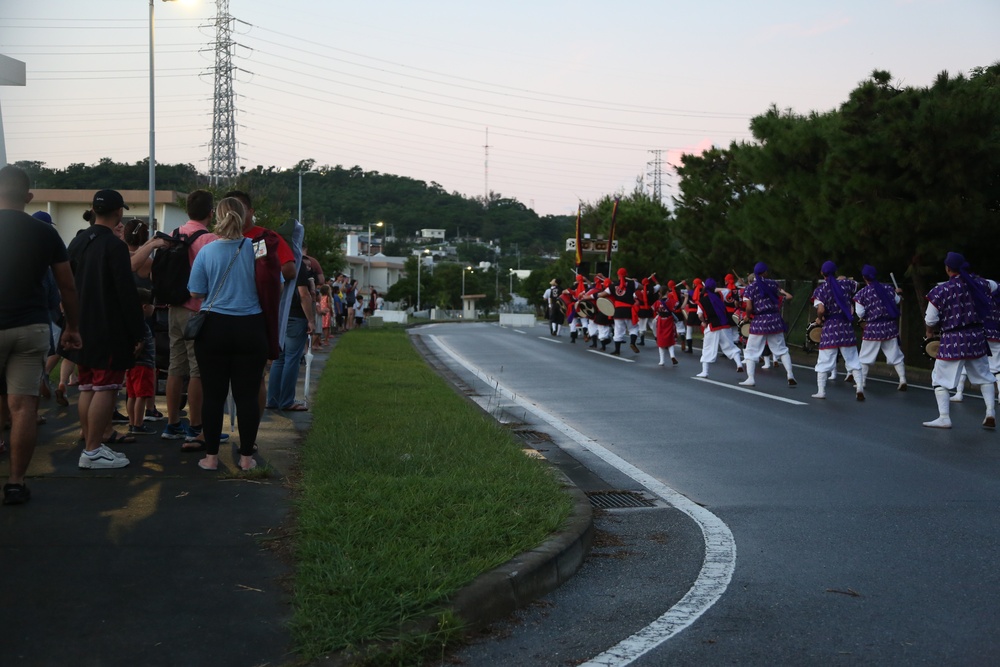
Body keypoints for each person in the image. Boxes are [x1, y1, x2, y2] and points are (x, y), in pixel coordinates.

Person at [0, 165, 82, 504]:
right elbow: (67, 285)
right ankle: (16, 482)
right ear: (29, 197)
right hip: (31, 327)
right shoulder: (45, 233)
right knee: (23, 408)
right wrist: (73, 328)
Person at [65, 189, 145, 469]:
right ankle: (93, 449)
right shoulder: (113, 246)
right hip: (108, 327)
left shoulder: (77, 241)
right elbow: (126, 292)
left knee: (87, 386)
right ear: (119, 212)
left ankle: (91, 442)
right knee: (106, 388)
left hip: (81, 326)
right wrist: (138, 332)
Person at [188, 196, 269, 470]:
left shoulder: (207, 251)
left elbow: (196, 292)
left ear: (217, 216)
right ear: (245, 215)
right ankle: (247, 458)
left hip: (214, 328)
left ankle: (211, 458)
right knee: (247, 395)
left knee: (213, 395)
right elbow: (270, 283)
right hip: (251, 326)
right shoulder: (257, 247)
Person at [161, 190, 218, 445]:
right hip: (198, 308)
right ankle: (196, 426)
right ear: (211, 212)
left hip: (173, 306)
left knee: (175, 366)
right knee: (198, 370)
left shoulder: (174, 234)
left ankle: (172, 423)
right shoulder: (209, 239)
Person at [922, 252, 997, 429]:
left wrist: (929, 333)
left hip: (952, 339)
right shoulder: (981, 284)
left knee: (939, 379)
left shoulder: (940, 291)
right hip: (977, 337)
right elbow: (995, 285)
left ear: (947, 269)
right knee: (985, 377)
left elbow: (930, 320)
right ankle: (990, 412)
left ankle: (944, 417)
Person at [266, 256, 315, 411]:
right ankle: (287, 401)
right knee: (292, 359)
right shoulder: (297, 265)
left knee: (279, 359)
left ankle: (272, 399)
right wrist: (311, 320)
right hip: (296, 316)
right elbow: (303, 294)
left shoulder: (276, 261)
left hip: (280, 316)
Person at [810, 261, 863, 400]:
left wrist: (819, 318)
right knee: (852, 358)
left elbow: (821, 309)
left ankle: (821, 391)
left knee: (824, 360)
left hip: (830, 327)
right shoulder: (847, 285)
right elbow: (857, 284)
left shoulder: (821, 290)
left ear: (822, 273)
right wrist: (843, 279)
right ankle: (860, 388)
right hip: (846, 326)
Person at [740, 262, 797, 387]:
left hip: (759, 321)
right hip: (775, 320)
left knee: (750, 351)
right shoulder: (773, 284)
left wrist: (747, 317)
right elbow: (784, 296)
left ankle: (751, 378)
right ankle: (790, 374)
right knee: (782, 349)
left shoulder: (750, 288)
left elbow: (749, 307)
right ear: (765, 272)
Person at [854, 264, 907, 391]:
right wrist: (898, 294)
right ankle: (902, 379)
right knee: (895, 354)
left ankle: (862, 382)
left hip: (872, 328)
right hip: (889, 327)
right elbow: (897, 301)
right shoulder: (888, 289)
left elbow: (860, 313)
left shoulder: (862, 294)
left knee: (865, 356)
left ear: (864, 277)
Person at [695, 278, 743, 378]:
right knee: (730, 346)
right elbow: (727, 290)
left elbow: (700, 315)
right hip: (725, 325)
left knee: (707, 349)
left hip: (712, 327)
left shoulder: (702, 300)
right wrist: (715, 289)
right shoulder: (720, 295)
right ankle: (739, 364)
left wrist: (704, 322)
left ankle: (705, 372)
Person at [125, 288, 157, 435]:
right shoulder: (141, 324)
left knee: (131, 395)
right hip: (143, 365)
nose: (154, 308)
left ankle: (132, 422)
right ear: (145, 307)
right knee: (142, 396)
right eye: (152, 305)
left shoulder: (129, 320)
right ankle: (139, 423)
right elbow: (140, 345)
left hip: (131, 366)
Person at [653, 288, 680, 366]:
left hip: (661, 321)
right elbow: (677, 305)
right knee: (670, 340)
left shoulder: (657, 302)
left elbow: (654, 309)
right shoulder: (671, 301)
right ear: (667, 292)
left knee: (660, 341)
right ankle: (672, 356)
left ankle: (662, 360)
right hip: (669, 321)